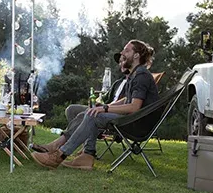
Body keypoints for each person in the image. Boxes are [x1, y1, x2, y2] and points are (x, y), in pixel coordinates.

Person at [32, 40, 159, 171]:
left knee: (93, 115)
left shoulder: (141, 75)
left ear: (137, 56)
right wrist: (105, 106)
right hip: (130, 119)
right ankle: (85, 155)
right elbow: (127, 99)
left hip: (136, 123)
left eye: (127, 50)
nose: (122, 53)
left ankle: (59, 155)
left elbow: (134, 107)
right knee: (89, 111)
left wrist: (105, 108)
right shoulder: (134, 75)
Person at [32, 53, 129, 157]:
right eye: (120, 62)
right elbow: (105, 98)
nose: (121, 64)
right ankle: (83, 143)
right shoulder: (118, 83)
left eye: (123, 61)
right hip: (106, 108)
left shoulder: (133, 82)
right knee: (72, 109)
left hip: (115, 114)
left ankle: (74, 148)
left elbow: (128, 103)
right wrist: (98, 103)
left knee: (89, 113)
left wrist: (105, 107)